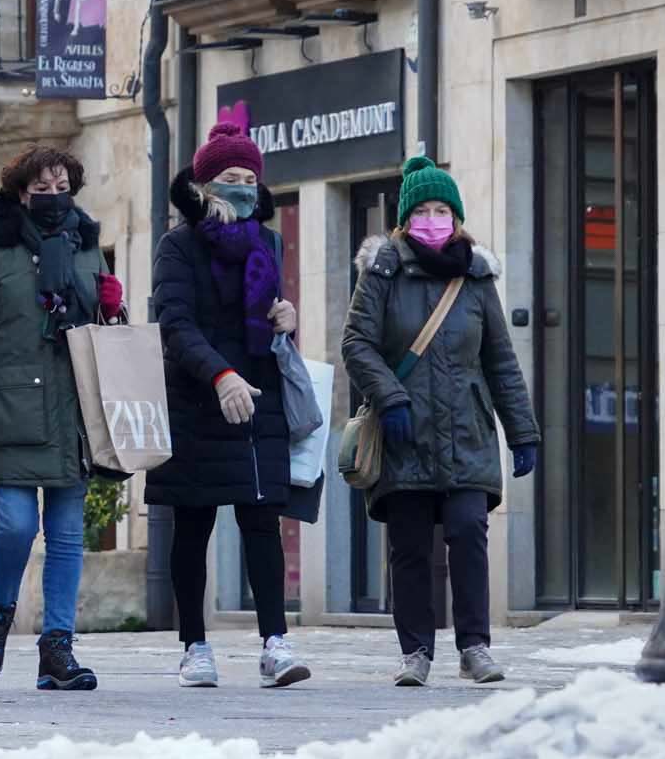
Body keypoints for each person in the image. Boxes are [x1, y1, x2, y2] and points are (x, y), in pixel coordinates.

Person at [341, 155, 540, 688]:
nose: (434, 218)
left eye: (442, 210)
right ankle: (416, 653)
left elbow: (500, 360)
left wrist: (522, 431)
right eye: (423, 210)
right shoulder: (383, 270)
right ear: (406, 220)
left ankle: (475, 646)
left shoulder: (475, 276)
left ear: (457, 218)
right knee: (409, 545)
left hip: (467, 432)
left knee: (468, 531)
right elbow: (356, 343)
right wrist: (391, 397)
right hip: (405, 432)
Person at [0, 145, 126, 691]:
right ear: (19, 192)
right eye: (40, 189)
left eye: (60, 187)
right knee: (18, 523)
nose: (52, 197)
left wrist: (111, 305)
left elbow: (104, 332)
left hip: (73, 409)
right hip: (11, 406)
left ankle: (58, 648)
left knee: (68, 535)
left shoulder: (86, 243)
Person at [146, 122, 309, 689]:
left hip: (257, 399)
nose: (241, 186)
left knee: (263, 521)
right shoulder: (178, 246)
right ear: (205, 184)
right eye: (229, 178)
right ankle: (194, 645)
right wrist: (219, 374)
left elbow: (266, 318)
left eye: (249, 178)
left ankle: (275, 643)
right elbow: (175, 323)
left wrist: (287, 322)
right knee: (192, 525)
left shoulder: (268, 242)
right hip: (196, 399)